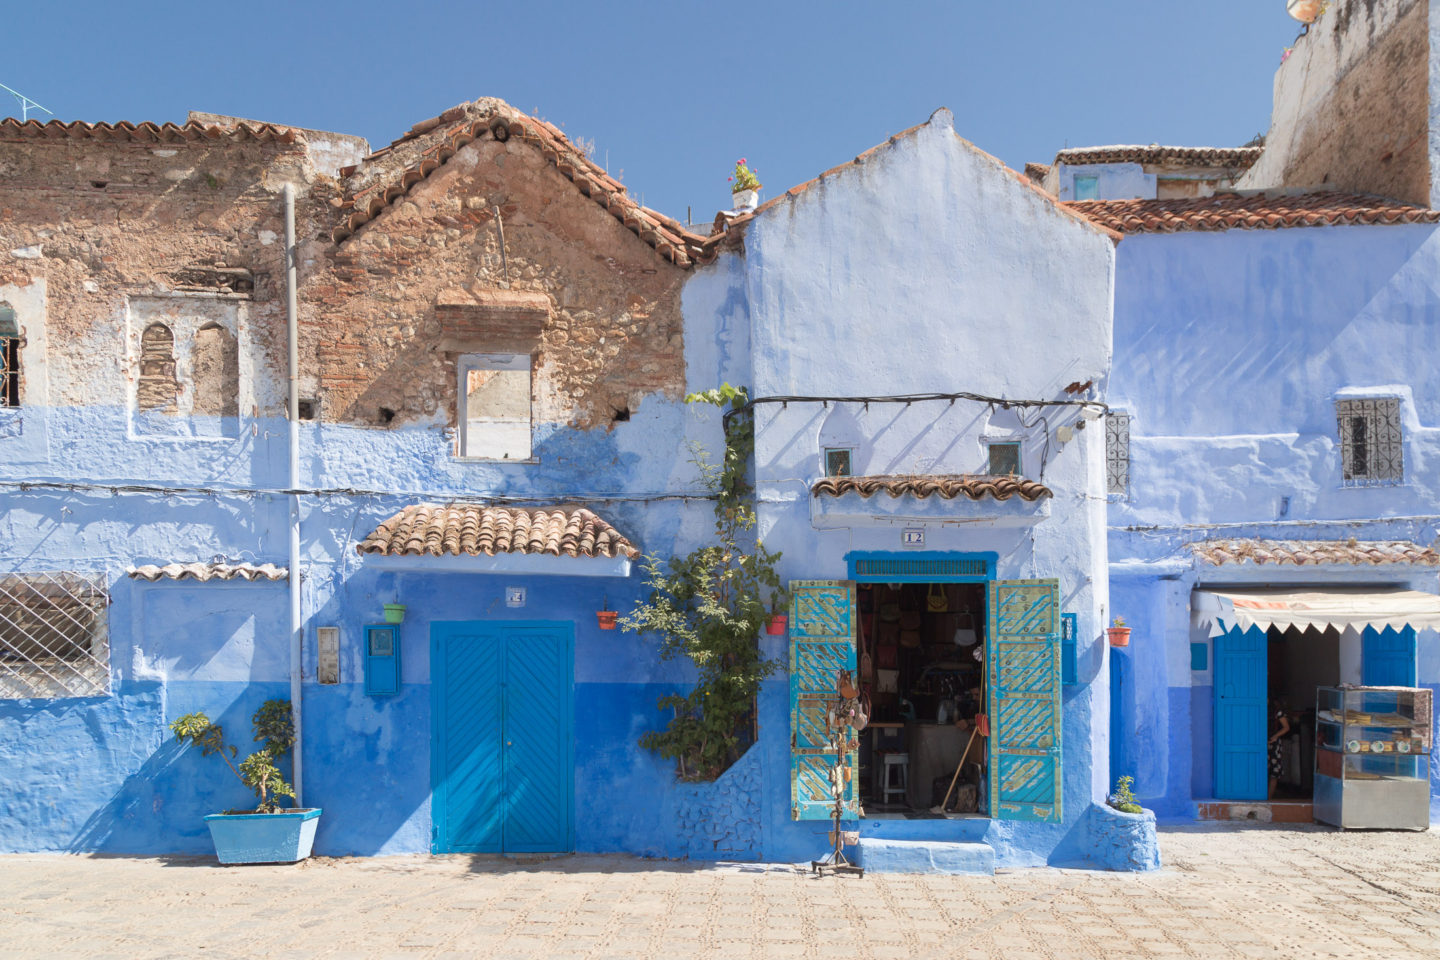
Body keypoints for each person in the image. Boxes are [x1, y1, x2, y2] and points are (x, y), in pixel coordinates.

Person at [1268, 702, 1292, 799]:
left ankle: (1268, 798)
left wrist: (1275, 736)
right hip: (1259, 743)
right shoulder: (1256, 709)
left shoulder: (1276, 711)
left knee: (1274, 771)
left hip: (1273, 744)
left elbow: (1286, 727)